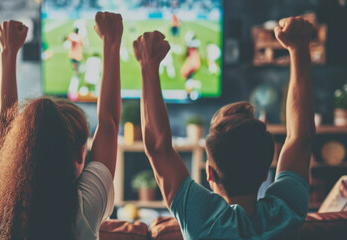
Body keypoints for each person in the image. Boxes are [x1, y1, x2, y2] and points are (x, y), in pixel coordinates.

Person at [133, 16, 315, 239]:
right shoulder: (286, 214)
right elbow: (300, 138)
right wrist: (299, 49)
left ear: (209, 172)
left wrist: (147, 66)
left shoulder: (202, 219)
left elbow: (158, 148)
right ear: (266, 169)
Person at [0, 12, 123, 240]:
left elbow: (5, 126)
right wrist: (111, 43)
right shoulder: (84, 209)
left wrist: (8, 51)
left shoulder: (1, 201)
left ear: (20, 148)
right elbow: (109, 123)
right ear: (78, 154)